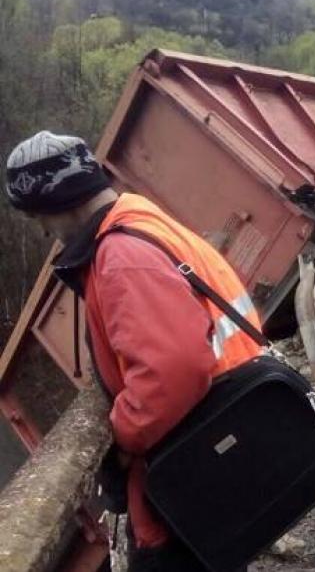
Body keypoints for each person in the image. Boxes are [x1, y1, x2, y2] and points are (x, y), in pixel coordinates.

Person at [5, 131, 263, 571]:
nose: (46, 231)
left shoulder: (120, 255)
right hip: (223, 445)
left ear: (58, 202)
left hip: (191, 470)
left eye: (38, 218)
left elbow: (174, 370)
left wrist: (123, 441)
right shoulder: (142, 218)